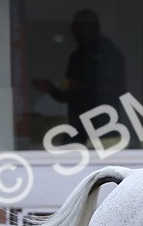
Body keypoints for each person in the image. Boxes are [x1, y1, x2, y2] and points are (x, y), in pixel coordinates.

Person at [32, 9, 132, 148]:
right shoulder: (77, 55)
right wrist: (51, 89)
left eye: (77, 27)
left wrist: (82, 87)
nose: (73, 32)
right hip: (78, 123)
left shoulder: (109, 52)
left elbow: (117, 88)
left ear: (90, 27)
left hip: (103, 123)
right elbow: (68, 92)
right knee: (67, 156)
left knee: (103, 163)